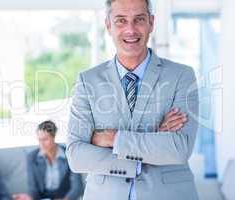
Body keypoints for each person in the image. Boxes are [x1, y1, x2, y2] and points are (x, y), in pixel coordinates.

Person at [66, 0, 199, 200]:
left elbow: (178, 149)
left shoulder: (182, 75)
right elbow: (76, 156)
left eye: (139, 20)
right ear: (108, 26)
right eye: (121, 21)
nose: (130, 29)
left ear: (151, 23)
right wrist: (152, 141)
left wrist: (113, 139)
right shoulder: (88, 81)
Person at [13, 120, 83, 200]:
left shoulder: (69, 155)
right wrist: (30, 198)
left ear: (54, 137)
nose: (42, 144)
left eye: (45, 139)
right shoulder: (32, 157)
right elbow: (33, 188)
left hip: (64, 198)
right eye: (40, 140)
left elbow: (77, 187)